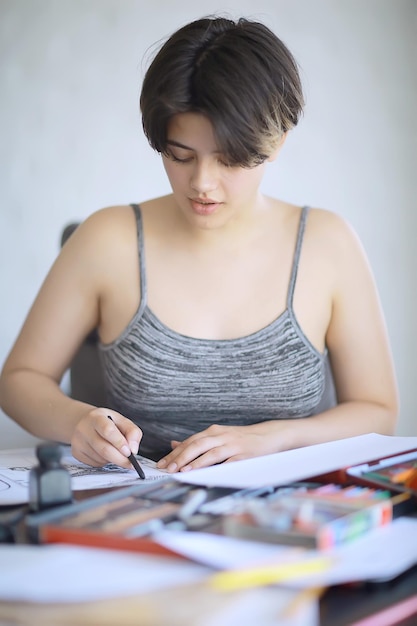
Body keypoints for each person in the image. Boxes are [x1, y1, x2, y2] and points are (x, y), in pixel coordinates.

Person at [0, 16, 398, 474]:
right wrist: (78, 421)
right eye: (180, 156)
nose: (202, 183)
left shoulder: (328, 245)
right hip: (139, 507)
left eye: (229, 159)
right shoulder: (107, 240)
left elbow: (377, 410)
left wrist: (273, 438)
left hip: (294, 514)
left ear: (277, 140)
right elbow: (19, 381)